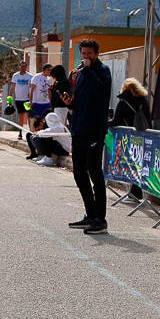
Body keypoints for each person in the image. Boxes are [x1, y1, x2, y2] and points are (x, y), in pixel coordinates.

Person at [60, 38, 112, 235]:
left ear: (96, 54)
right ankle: (90, 215)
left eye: (90, 53)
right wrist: (70, 102)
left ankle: (100, 219)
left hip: (94, 130)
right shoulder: (81, 73)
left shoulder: (102, 71)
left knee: (95, 173)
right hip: (79, 128)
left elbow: (100, 91)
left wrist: (88, 70)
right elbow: (81, 100)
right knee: (79, 174)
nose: (86, 57)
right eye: (83, 53)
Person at [110, 77, 152, 200]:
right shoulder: (144, 101)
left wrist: (105, 124)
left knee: (131, 164)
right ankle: (137, 191)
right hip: (143, 136)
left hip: (128, 138)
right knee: (140, 164)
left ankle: (132, 191)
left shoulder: (123, 102)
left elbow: (116, 121)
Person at [10, 61, 33, 127]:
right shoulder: (15, 76)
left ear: (26, 67)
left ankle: (30, 130)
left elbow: (32, 87)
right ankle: (20, 130)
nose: (23, 68)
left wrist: (32, 99)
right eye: (21, 66)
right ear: (19, 67)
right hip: (19, 99)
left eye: (24, 66)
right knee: (21, 115)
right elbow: (13, 87)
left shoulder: (30, 76)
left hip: (27, 99)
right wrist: (10, 97)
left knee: (29, 115)